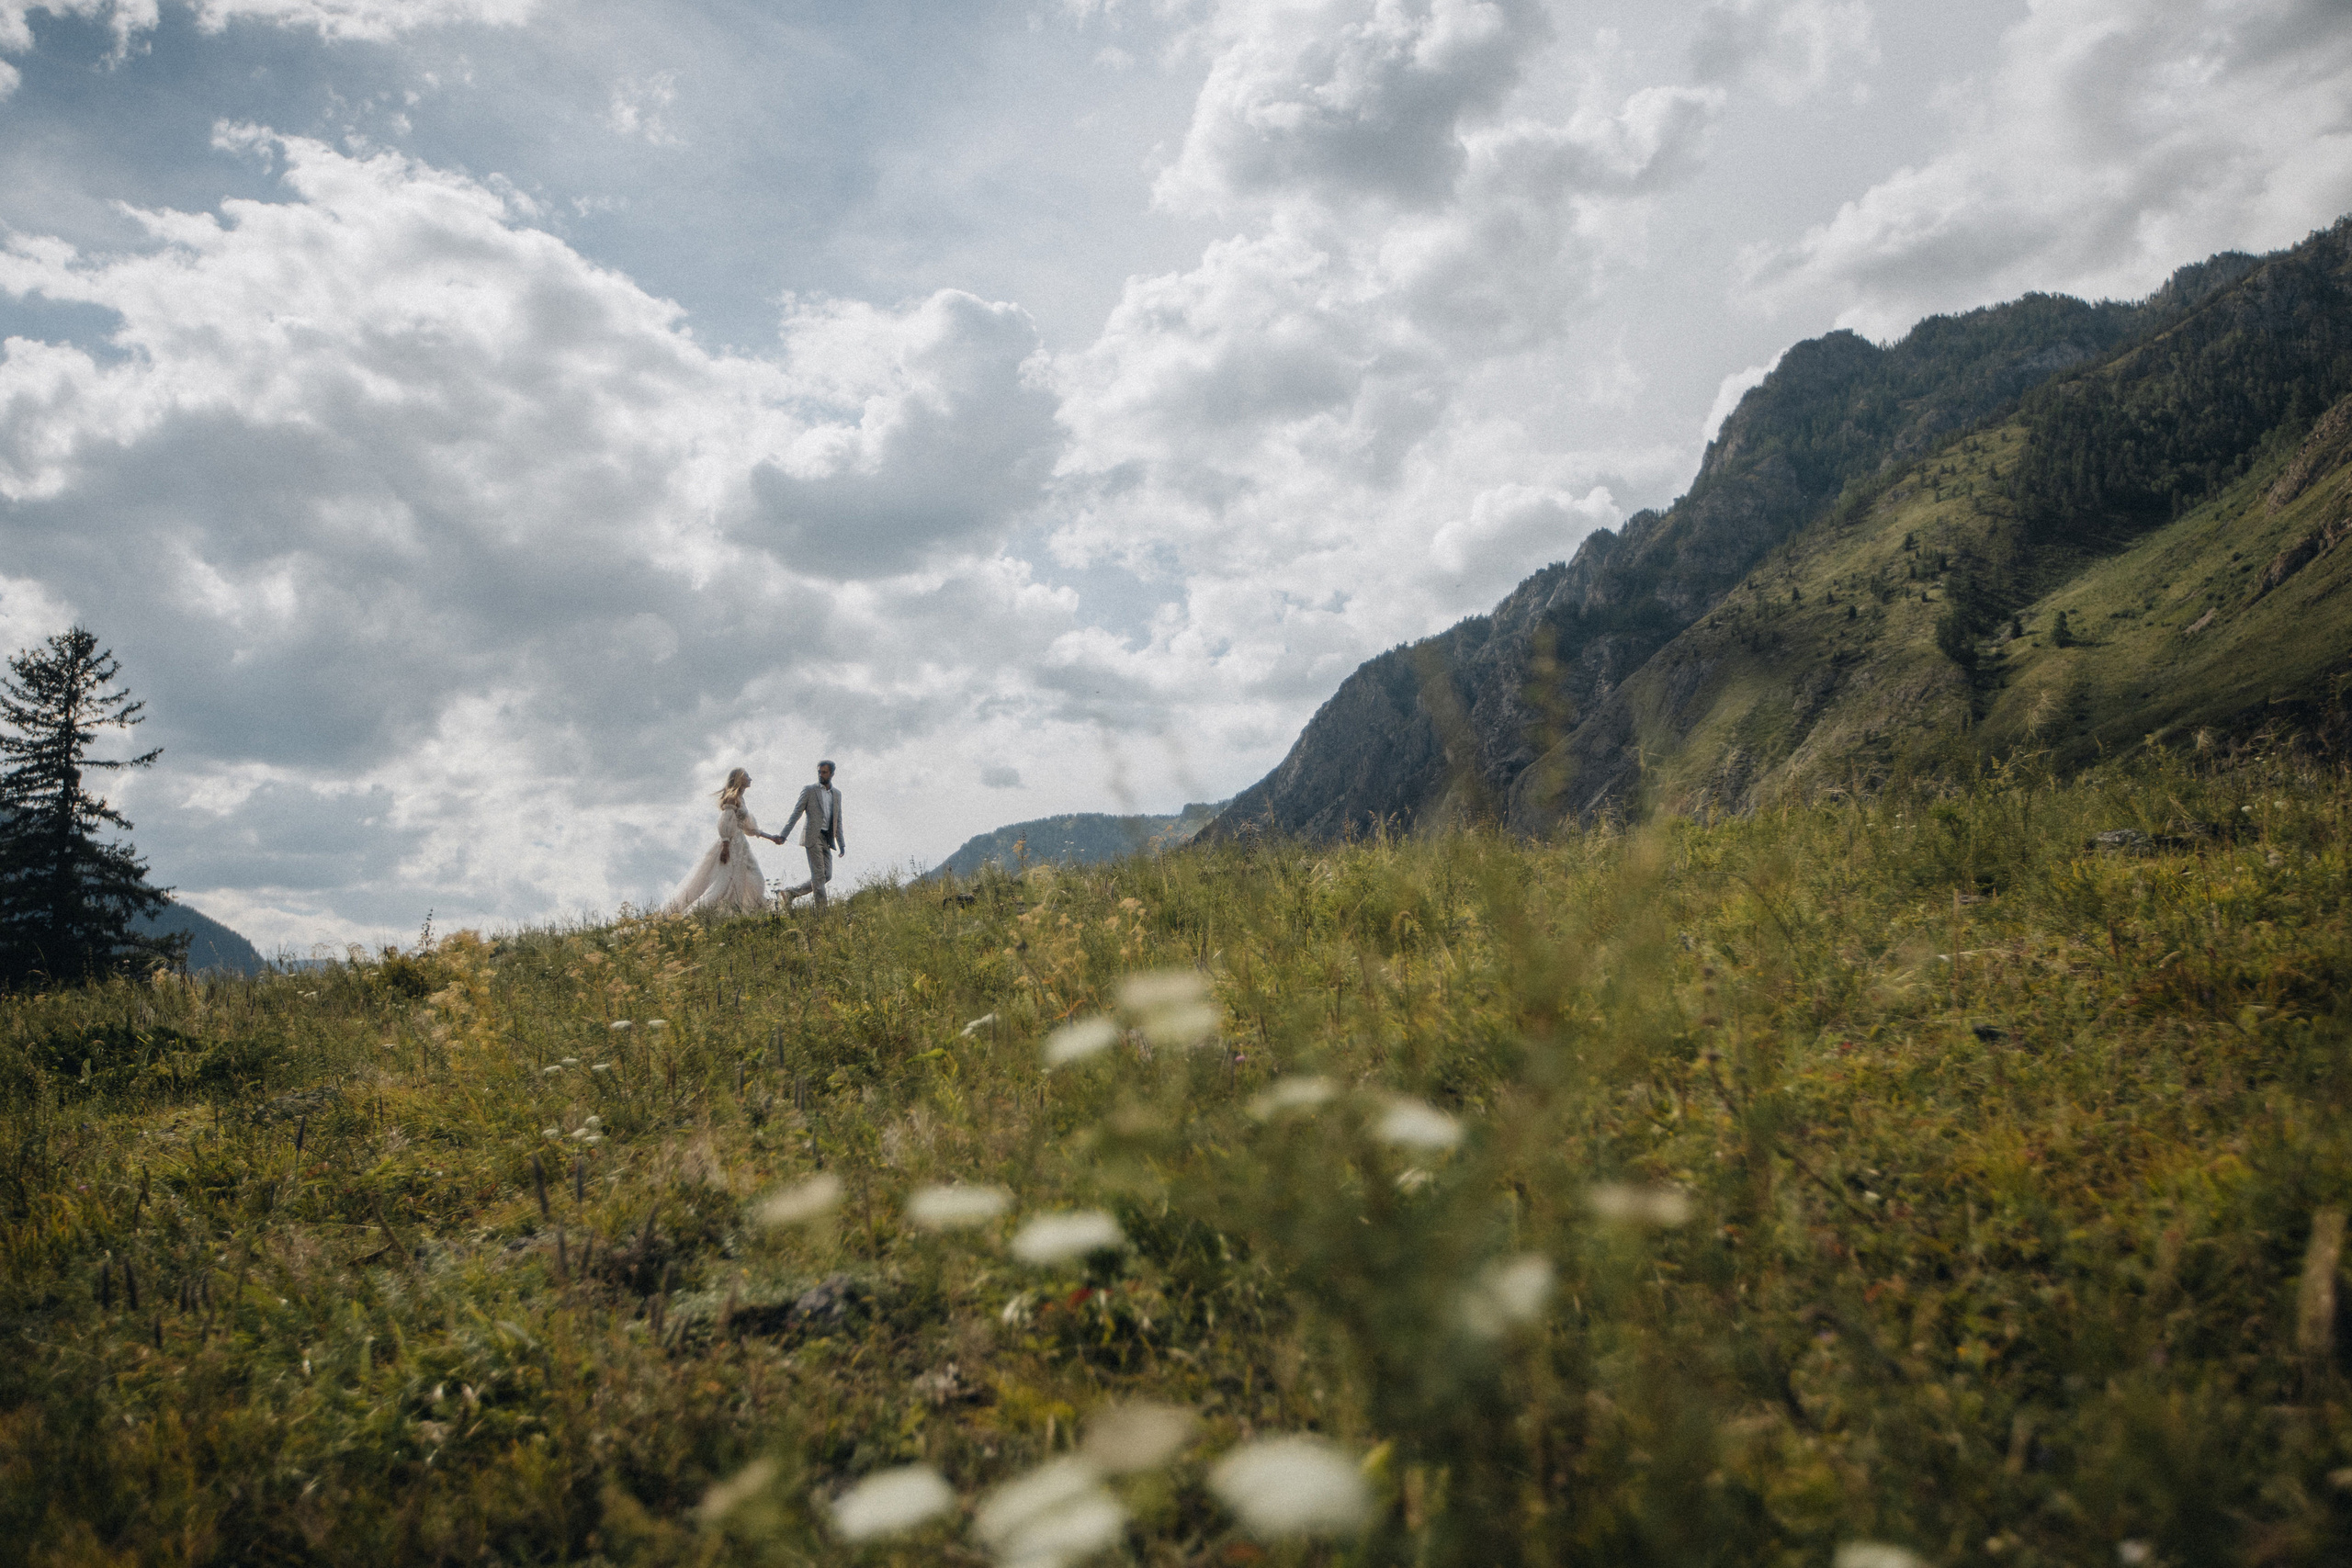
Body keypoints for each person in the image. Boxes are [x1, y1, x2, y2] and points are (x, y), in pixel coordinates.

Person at [663, 767, 779, 914]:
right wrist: (725, 844)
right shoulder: (732, 798)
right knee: (724, 882)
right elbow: (724, 822)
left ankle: (748, 909)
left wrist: (770, 837)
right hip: (731, 844)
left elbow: (749, 828)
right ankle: (701, 912)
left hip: (742, 845)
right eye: (747, 776)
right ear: (739, 779)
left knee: (756, 878)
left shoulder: (741, 799)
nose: (750, 779)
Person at [779, 759, 845, 911]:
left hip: (826, 838)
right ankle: (822, 913)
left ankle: (790, 893)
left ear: (832, 774)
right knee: (818, 876)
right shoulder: (809, 790)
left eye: (824, 772)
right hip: (812, 837)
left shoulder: (837, 794)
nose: (820, 775)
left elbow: (838, 819)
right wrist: (784, 835)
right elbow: (796, 813)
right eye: (819, 772)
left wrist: (841, 843)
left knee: (827, 875)